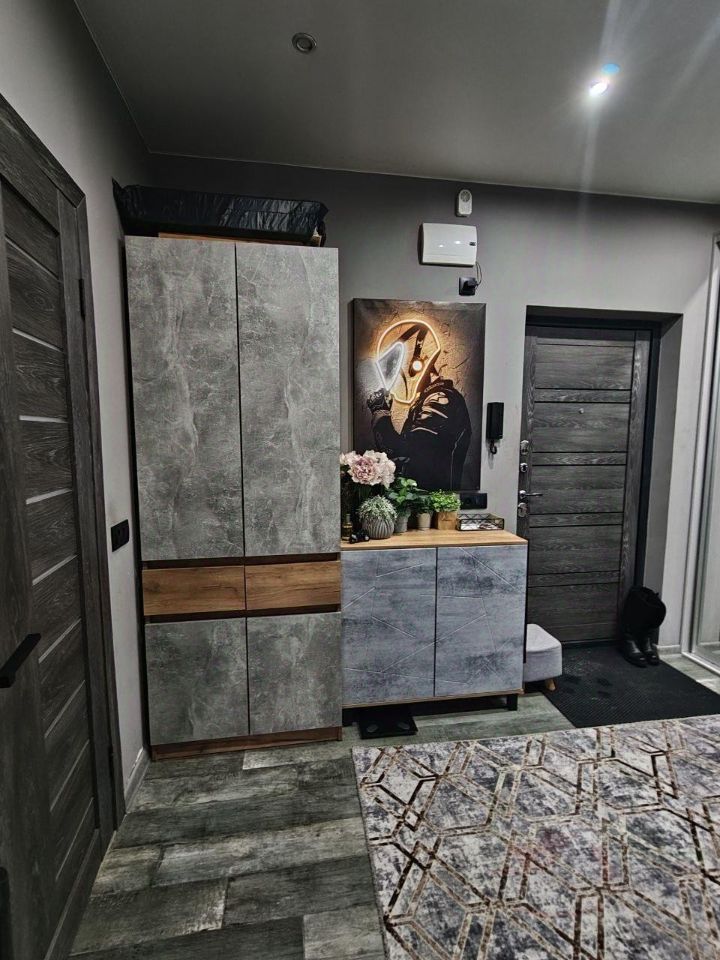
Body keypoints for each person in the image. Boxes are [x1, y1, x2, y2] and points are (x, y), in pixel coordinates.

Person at [367, 319, 471, 489]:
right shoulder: (431, 398)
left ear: (418, 361)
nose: (395, 376)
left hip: (433, 498)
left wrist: (380, 412)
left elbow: (405, 451)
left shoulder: (440, 399)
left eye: (396, 365)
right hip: (426, 497)